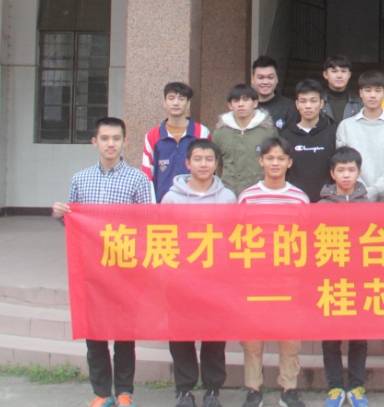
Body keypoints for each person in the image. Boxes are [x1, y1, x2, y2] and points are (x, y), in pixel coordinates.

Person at [52, 117, 153, 407]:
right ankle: (101, 393)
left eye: (116, 139)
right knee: (94, 332)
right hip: (91, 269)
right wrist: (61, 215)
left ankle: (124, 392)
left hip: (125, 269)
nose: (111, 144)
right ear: (94, 142)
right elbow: (75, 224)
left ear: (125, 142)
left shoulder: (138, 180)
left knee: (124, 334)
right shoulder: (80, 179)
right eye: (105, 138)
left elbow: (147, 224)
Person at [161, 140, 236, 407]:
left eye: (209, 159)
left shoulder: (228, 198)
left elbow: (233, 238)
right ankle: (185, 390)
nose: (203, 164)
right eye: (198, 159)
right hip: (181, 280)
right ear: (187, 163)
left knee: (214, 335)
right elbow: (163, 238)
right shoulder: (171, 198)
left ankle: (212, 390)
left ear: (216, 164)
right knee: (181, 335)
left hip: (217, 279)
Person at [237, 137, 310, 407]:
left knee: (290, 338)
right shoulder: (247, 197)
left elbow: (306, 240)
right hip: (255, 280)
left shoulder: (299, 198)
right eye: (270, 158)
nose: (275, 163)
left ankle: (288, 389)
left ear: (289, 163)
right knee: (252, 339)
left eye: (281, 158)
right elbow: (238, 238)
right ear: (261, 161)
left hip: (289, 280)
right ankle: (253, 388)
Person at [319, 148, 371, 407]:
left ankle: (357, 386)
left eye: (351, 170)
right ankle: (336, 387)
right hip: (330, 281)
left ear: (359, 172)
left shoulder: (369, 205)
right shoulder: (321, 206)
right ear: (332, 174)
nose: (346, 175)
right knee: (331, 338)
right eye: (341, 170)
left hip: (360, 280)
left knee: (359, 337)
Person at [336, 70, 384, 200]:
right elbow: (343, 163)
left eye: (378, 90)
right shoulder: (346, 126)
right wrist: (361, 192)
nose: (373, 95)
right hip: (354, 198)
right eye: (368, 90)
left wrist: (373, 192)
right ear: (361, 93)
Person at [142, 81, 212, 202]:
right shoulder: (152, 135)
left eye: (181, 98)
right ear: (164, 102)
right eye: (171, 98)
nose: (176, 103)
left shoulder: (202, 132)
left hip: (196, 203)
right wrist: (151, 206)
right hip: (162, 204)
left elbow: (209, 170)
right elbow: (147, 175)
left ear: (188, 103)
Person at [212, 84, 277, 197]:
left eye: (246, 99)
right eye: (236, 100)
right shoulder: (220, 133)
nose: (241, 104)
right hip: (228, 194)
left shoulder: (268, 132)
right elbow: (217, 165)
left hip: (260, 194)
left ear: (255, 103)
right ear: (230, 105)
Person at [281, 78, 336, 202]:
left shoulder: (333, 132)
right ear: (297, 104)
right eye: (303, 101)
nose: (308, 106)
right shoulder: (285, 135)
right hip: (294, 201)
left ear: (321, 103)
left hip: (326, 201)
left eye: (313, 101)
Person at [252, 55, 299, 130]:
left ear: (277, 79)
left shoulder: (289, 107)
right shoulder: (244, 107)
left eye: (270, 77)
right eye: (260, 77)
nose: (265, 82)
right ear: (253, 80)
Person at [321, 55, 363, 122]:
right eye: (334, 71)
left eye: (343, 71)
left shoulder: (359, 103)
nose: (339, 76)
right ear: (325, 75)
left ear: (349, 75)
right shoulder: (317, 101)